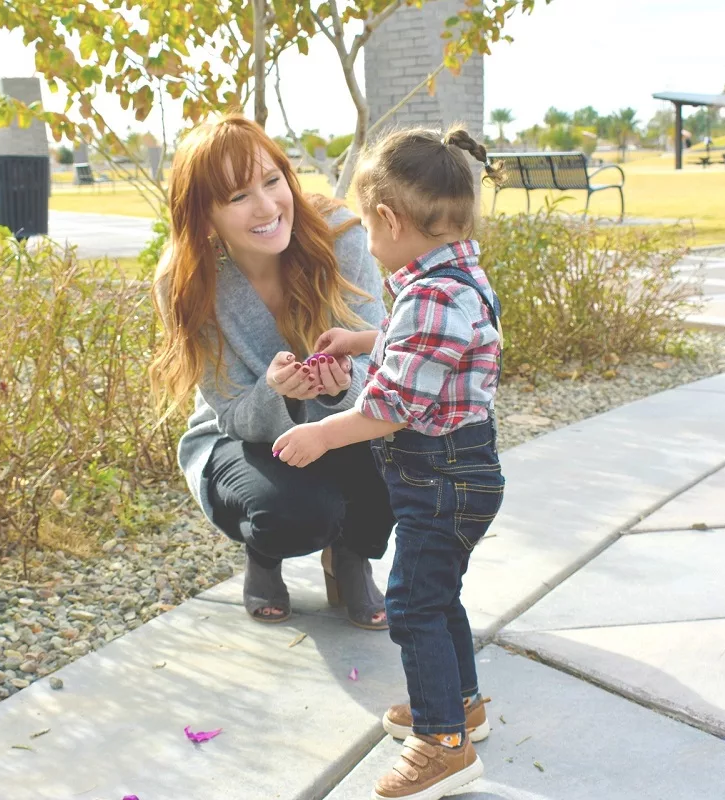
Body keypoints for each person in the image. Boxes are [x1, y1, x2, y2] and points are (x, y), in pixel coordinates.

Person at [273, 126, 505, 800]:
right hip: (458, 474)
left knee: (411, 603)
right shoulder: (451, 275)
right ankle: (460, 705)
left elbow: (393, 407)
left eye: (367, 226)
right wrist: (363, 337)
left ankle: (442, 744)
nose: (366, 244)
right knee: (439, 593)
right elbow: (424, 337)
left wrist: (323, 435)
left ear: (387, 219)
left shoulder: (432, 296)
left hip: (442, 476)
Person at [149, 114, 394, 629]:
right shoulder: (187, 281)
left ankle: (351, 557)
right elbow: (232, 411)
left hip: (347, 429)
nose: (266, 207)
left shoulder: (340, 237)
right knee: (298, 513)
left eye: (271, 181)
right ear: (203, 215)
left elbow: (383, 367)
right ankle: (265, 555)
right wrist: (277, 392)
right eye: (237, 197)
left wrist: (340, 391)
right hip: (239, 439)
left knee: (411, 447)